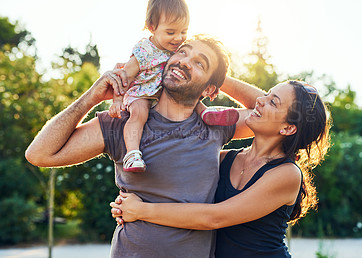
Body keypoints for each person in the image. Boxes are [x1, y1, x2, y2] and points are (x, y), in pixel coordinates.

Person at [25, 34, 265, 257]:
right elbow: (39, 154)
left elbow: (280, 115)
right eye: (181, 52)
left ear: (210, 89)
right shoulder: (124, 122)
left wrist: (220, 79)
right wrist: (92, 97)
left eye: (199, 63)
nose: (184, 62)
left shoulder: (216, 123)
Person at [110, 80, 332, 257]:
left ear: (288, 127)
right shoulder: (225, 159)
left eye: (273, 102)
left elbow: (214, 218)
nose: (259, 100)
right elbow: (172, 172)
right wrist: (128, 203)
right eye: (266, 94)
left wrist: (141, 211)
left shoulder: (287, 174)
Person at [109, 0, 238, 172]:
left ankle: (207, 113)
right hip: (141, 93)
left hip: (160, 91)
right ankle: (132, 154)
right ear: (152, 27)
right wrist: (116, 101)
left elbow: (192, 76)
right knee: (139, 114)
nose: (178, 38)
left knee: (189, 95)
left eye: (183, 32)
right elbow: (123, 77)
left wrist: (215, 79)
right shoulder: (144, 51)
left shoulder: (174, 48)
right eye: (171, 32)